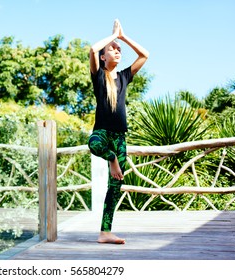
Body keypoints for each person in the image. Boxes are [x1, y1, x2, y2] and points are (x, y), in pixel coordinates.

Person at [88, 19, 149, 244]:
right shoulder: (98, 75)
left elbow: (144, 55)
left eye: (119, 50)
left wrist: (123, 37)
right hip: (103, 133)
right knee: (93, 143)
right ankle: (111, 158)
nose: (117, 50)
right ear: (104, 57)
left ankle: (105, 232)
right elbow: (93, 49)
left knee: (115, 187)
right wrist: (112, 36)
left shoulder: (123, 77)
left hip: (120, 137)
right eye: (112, 49)